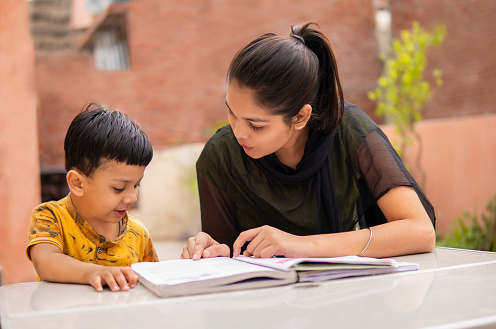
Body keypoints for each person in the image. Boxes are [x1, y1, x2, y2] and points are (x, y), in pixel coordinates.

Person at [181, 22, 436, 260]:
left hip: (346, 292)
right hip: (263, 299)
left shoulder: (347, 128)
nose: (239, 133)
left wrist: (304, 246)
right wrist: (214, 250)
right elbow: (228, 257)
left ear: (301, 116)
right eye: (232, 114)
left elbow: (420, 231)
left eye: (256, 125)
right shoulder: (221, 155)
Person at [27, 104, 158, 292]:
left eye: (136, 185)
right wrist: (93, 273)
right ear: (78, 183)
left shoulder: (139, 234)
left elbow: (152, 284)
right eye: (119, 188)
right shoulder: (50, 217)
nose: (132, 197)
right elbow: (45, 261)